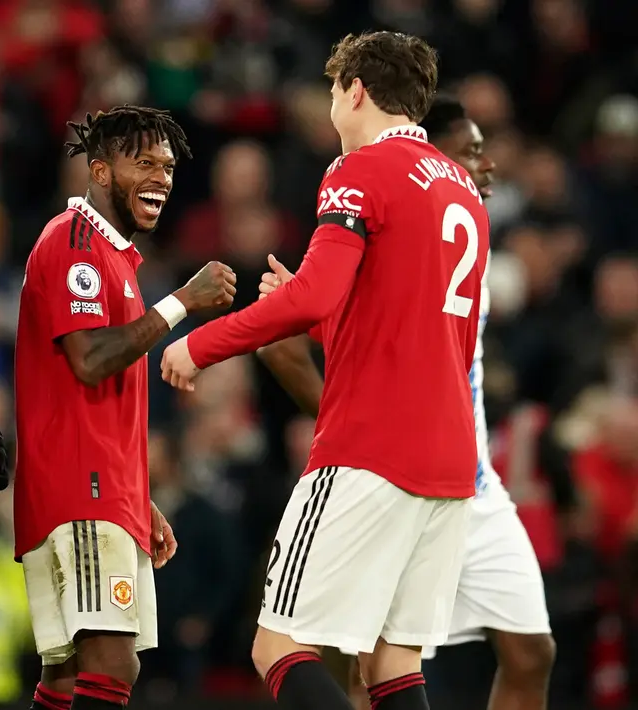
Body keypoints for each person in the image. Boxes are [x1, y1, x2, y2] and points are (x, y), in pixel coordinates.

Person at [160, 32, 491, 710]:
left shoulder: (359, 169)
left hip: (370, 448)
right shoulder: (460, 189)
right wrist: (307, 309)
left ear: (355, 91)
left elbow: (315, 296)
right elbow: (408, 325)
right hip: (451, 456)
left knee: (275, 646)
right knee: (392, 662)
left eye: (334, 91)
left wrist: (198, 345)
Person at [256, 96, 555, 710]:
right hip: (391, 464)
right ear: (434, 155)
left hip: (467, 481)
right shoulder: (380, 227)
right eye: (471, 151)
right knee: (368, 656)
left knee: (523, 651)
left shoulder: (469, 240)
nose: (487, 165)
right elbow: (281, 347)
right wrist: (357, 428)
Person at [13, 105, 236, 710]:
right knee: (113, 662)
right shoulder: (74, 242)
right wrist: (181, 303)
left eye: (167, 166)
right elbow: (90, 359)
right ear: (101, 170)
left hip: (102, 485)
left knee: (67, 677)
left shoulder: (113, 255)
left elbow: (97, 398)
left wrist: (137, 496)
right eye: (144, 163)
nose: (162, 177)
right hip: (79, 487)